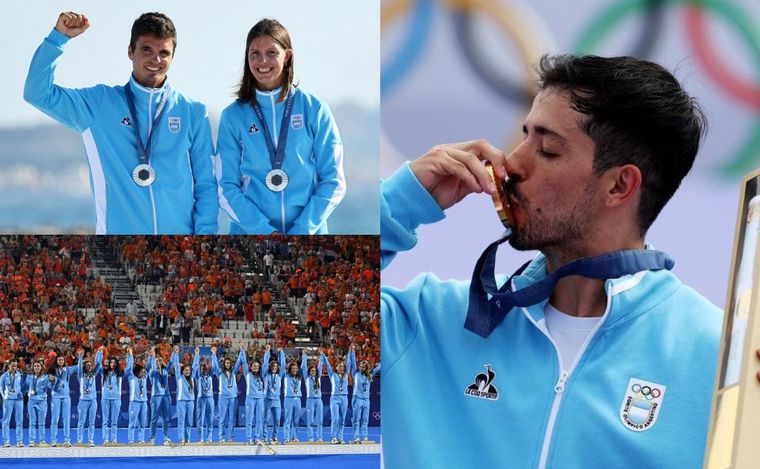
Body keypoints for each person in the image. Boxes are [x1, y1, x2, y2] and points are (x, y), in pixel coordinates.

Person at [380, 54, 722, 468]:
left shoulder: (717, 358)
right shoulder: (429, 322)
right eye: (524, 138)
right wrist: (401, 202)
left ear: (619, 185)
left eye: (546, 149)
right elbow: (281, 317)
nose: (511, 163)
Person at [23, 11, 218, 234]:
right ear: (130, 51)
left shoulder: (192, 112)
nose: (156, 60)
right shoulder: (99, 105)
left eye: (164, 53)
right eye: (147, 50)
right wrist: (59, 37)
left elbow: (206, 186)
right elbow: (37, 93)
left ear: (172, 57)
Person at [217, 18, 346, 234]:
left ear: (287, 56)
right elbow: (225, 186)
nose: (262, 61)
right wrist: (264, 232)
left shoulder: (314, 108)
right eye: (254, 53)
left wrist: (302, 231)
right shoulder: (233, 116)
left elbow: (334, 181)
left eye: (271, 53)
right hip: (250, 237)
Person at [347, 346, 379, 443]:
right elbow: (352, 362)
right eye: (360, 366)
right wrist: (352, 352)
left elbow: (379, 368)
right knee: (356, 419)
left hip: (366, 400)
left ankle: (364, 437)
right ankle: (356, 436)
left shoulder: (369, 375)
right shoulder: (355, 373)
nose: (361, 368)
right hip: (357, 399)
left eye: (363, 367)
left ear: (366, 368)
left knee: (365, 420)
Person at [237, 343, 266, 445]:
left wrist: (266, 352)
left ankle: (257, 438)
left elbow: (266, 364)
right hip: (250, 399)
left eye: (257, 366)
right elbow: (244, 362)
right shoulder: (247, 374)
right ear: (251, 367)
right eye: (254, 366)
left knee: (259, 420)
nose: (255, 367)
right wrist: (242, 350)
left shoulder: (261, 375)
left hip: (260, 399)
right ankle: (249, 438)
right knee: (249, 420)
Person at [211, 345, 241, 443]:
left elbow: (239, 362)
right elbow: (214, 365)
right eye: (226, 363)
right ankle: (221, 437)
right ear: (224, 364)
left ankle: (231, 437)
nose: (228, 364)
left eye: (229, 363)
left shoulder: (234, 372)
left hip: (233, 398)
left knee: (231, 419)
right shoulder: (219, 372)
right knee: (222, 418)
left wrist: (241, 350)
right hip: (223, 398)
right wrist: (214, 354)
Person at [74, 348, 102, 446]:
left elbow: (98, 365)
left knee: (91, 422)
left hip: (93, 401)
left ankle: (91, 440)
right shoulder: (80, 375)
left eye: (90, 365)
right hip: (83, 401)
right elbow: (78, 367)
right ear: (84, 366)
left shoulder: (93, 375)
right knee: (81, 422)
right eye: (87, 365)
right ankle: (79, 441)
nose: (89, 366)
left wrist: (99, 353)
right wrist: (81, 357)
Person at [324, 351, 352, 444]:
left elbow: (349, 362)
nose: (341, 368)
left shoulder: (346, 374)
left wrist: (351, 351)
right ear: (335, 367)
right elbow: (327, 365)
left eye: (342, 366)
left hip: (344, 398)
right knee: (335, 418)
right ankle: (333, 437)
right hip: (335, 398)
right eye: (339, 366)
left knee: (342, 419)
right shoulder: (332, 374)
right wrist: (323, 356)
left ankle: (340, 437)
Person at [147, 347, 174, 445]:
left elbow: (171, 363)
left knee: (166, 419)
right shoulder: (152, 372)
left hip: (166, 396)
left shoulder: (165, 371)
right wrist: (153, 357)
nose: (159, 362)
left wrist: (174, 353)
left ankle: (166, 438)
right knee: (154, 419)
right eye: (157, 361)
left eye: (160, 361)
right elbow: (153, 369)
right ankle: (152, 438)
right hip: (156, 396)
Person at [48, 353, 76, 446]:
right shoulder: (52, 371)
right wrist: (53, 382)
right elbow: (49, 386)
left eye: (62, 360)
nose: (60, 361)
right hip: (56, 397)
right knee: (55, 419)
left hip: (66, 397)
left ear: (64, 361)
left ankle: (67, 440)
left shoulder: (67, 370)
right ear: (56, 361)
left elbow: (77, 367)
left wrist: (78, 358)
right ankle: (53, 440)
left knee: (66, 419)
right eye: (59, 360)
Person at [171, 345, 196, 444]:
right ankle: (181, 439)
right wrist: (176, 353)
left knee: (189, 422)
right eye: (185, 370)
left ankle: (187, 438)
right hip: (181, 401)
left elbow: (195, 366)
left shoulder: (193, 377)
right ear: (183, 371)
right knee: (181, 422)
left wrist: (197, 355)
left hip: (190, 401)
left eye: (189, 370)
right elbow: (176, 365)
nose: (187, 371)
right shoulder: (179, 377)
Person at [25, 360, 52, 447]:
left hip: (42, 401)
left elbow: (50, 386)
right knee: (32, 422)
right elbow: (27, 383)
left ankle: (42, 440)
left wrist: (53, 381)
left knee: (41, 422)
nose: (36, 367)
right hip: (32, 400)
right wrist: (32, 375)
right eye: (35, 366)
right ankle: (32, 441)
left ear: (41, 367)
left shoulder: (45, 377)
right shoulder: (30, 377)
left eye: (38, 366)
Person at [124, 348, 149, 444]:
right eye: (142, 372)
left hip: (144, 402)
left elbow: (147, 365)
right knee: (132, 422)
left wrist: (148, 356)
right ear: (137, 372)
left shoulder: (144, 377)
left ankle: (141, 439)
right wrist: (130, 355)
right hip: (134, 402)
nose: (144, 373)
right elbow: (129, 367)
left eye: (144, 372)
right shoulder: (131, 377)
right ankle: (131, 439)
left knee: (143, 423)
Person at [262, 344, 285, 444]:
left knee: (277, 420)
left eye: (276, 366)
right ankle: (264, 437)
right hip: (267, 399)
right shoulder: (265, 374)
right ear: (270, 367)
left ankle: (274, 437)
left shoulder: (280, 375)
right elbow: (264, 364)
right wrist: (267, 352)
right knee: (265, 420)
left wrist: (281, 353)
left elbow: (283, 364)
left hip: (277, 401)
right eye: (273, 366)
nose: (275, 368)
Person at [1, 359, 25, 447]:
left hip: (18, 400)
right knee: (6, 421)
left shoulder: (19, 374)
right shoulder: (3, 376)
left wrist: (20, 393)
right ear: (8, 366)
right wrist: (5, 398)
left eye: (16, 366)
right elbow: (1, 388)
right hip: (8, 400)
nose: (14, 367)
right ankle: (6, 441)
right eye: (13, 366)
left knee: (19, 421)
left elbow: (21, 385)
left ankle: (19, 441)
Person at [302, 350, 325, 442]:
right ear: (309, 372)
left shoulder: (318, 378)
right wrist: (304, 355)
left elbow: (320, 365)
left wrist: (321, 355)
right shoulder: (307, 378)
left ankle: (319, 437)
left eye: (315, 370)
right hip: (310, 400)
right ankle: (311, 437)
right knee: (310, 419)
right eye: (312, 370)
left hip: (319, 400)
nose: (313, 372)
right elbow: (303, 367)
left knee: (319, 420)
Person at [101, 352, 123, 444]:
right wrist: (99, 353)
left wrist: (129, 356)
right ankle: (105, 439)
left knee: (114, 420)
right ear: (109, 363)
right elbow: (97, 364)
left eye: (114, 362)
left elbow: (129, 368)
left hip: (116, 398)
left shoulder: (120, 373)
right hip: (105, 398)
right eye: (111, 362)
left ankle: (114, 439)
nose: (113, 364)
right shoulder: (104, 372)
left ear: (116, 364)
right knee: (105, 420)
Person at [194, 347, 215, 444]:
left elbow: (213, 366)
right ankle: (200, 438)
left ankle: (209, 438)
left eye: (205, 367)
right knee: (200, 420)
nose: (204, 369)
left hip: (210, 399)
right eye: (202, 368)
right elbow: (195, 367)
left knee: (210, 420)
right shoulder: (198, 377)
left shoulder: (210, 376)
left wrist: (213, 354)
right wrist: (197, 355)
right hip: (201, 399)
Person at [282, 353, 304, 443]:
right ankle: (286, 438)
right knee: (288, 419)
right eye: (293, 368)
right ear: (289, 369)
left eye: (296, 368)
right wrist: (281, 354)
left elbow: (304, 367)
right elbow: (282, 364)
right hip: (288, 399)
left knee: (296, 420)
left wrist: (304, 356)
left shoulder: (299, 377)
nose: (294, 370)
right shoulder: (286, 376)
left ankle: (294, 437)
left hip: (297, 399)